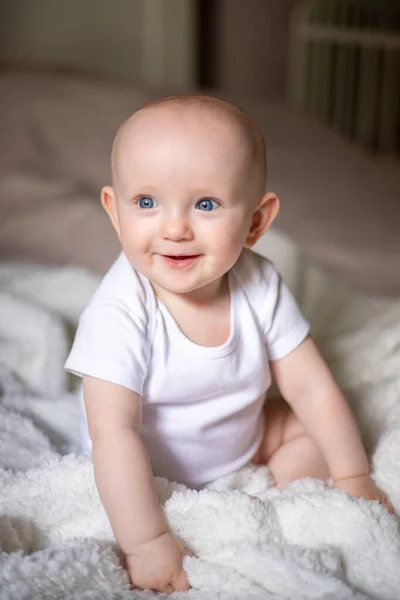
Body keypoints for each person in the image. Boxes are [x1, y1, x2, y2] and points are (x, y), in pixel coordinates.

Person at [65, 94, 394, 593]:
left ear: (256, 223)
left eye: (206, 204)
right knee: (121, 467)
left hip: (245, 438)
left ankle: (275, 507)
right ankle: (204, 514)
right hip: (149, 464)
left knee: (315, 428)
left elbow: (310, 386)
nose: (174, 228)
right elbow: (114, 433)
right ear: (115, 211)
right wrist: (147, 541)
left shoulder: (258, 282)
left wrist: (353, 478)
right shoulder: (119, 311)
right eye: (147, 202)